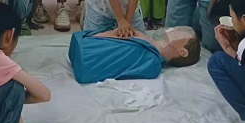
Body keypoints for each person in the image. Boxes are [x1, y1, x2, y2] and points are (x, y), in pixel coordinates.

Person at [69, 26, 201, 84]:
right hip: (83, 44)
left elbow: (118, 61)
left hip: (85, 57)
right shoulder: (149, 44)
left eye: (180, 33)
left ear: (182, 52)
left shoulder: (152, 63)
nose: (175, 29)